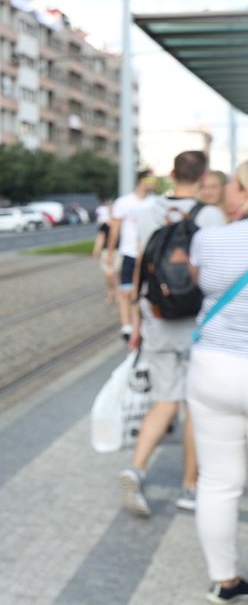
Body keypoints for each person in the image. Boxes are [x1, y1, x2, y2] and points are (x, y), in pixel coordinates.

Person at [118, 151, 225, 518]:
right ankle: (190, 487)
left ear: (171, 174)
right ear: (203, 177)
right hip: (196, 323)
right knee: (194, 406)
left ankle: (136, 468)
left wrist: (135, 320)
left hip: (156, 318)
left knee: (164, 400)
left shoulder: (150, 212)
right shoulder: (210, 216)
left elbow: (139, 267)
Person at [188, 161, 248, 603]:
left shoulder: (208, 237)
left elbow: (200, 282)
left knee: (218, 482)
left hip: (213, 367)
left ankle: (224, 580)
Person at [110, 169, 154, 340]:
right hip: (128, 252)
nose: (153, 184)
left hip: (146, 253)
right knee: (125, 291)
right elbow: (115, 228)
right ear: (141, 181)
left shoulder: (154, 203)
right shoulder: (123, 202)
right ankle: (126, 326)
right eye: (151, 180)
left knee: (143, 291)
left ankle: (140, 324)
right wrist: (111, 250)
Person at [92, 199, 118, 304]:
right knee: (109, 273)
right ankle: (111, 291)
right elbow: (100, 238)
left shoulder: (121, 224)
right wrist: (96, 250)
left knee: (117, 274)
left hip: (119, 251)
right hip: (107, 251)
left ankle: (118, 294)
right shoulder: (105, 225)